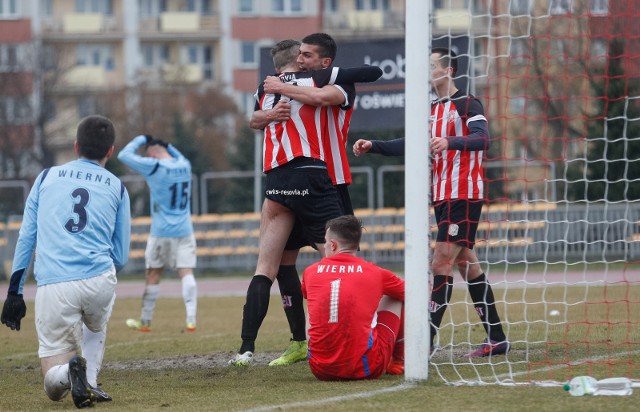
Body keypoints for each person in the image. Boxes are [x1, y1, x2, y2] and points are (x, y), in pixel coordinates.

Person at [229, 34, 382, 366]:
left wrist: (281, 91)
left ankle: (248, 348)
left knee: (296, 263)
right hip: (312, 177)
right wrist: (278, 103)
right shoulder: (292, 82)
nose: (303, 59)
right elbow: (256, 119)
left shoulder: (307, 83)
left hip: (307, 180)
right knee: (310, 262)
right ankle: (307, 340)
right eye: (302, 55)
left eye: (308, 55)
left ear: (319, 60)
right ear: (296, 58)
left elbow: (350, 83)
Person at [352, 47, 510, 358]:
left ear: (448, 70)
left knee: (440, 263)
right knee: (467, 265)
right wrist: (373, 146)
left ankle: (424, 341)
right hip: (442, 196)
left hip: (462, 194)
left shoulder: (468, 103)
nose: (426, 71)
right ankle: (497, 338)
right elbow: (411, 143)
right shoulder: (431, 108)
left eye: (432, 65)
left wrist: (450, 141)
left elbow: (482, 138)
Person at [0, 115, 131, 408]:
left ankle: (71, 374)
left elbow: (26, 238)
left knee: (52, 384)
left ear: (75, 146)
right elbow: (120, 256)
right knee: (96, 325)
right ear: (110, 151)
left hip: (55, 284)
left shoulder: (46, 177)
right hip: (99, 279)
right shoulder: (118, 187)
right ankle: (90, 382)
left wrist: (14, 292)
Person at [302, 215, 405, 380]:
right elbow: (411, 294)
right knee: (396, 296)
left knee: (314, 303)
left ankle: (321, 354)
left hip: (320, 370)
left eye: (325, 241)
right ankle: (398, 361)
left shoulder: (310, 271)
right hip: (366, 368)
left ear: (333, 245)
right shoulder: (376, 272)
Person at [118, 135, 198, 332]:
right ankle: (191, 319)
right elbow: (175, 154)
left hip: (162, 231)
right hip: (185, 230)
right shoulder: (184, 164)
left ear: (152, 154)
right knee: (186, 271)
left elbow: (123, 155)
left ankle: (145, 321)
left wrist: (142, 138)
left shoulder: (155, 167)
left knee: (153, 273)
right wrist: (168, 144)